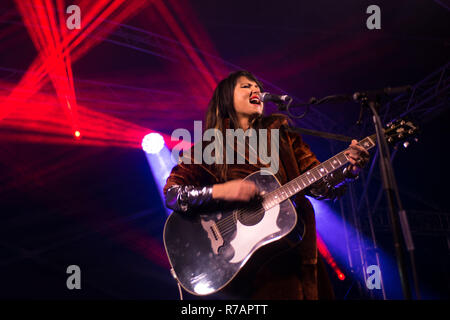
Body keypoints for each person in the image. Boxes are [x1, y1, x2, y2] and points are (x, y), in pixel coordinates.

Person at [163, 70, 369, 300]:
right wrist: (221, 190)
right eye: (246, 86)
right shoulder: (206, 150)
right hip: (255, 274)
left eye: (257, 87)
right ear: (225, 99)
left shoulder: (283, 135)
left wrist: (349, 170)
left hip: (301, 258)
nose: (256, 90)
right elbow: (173, 195)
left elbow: (320, 185)